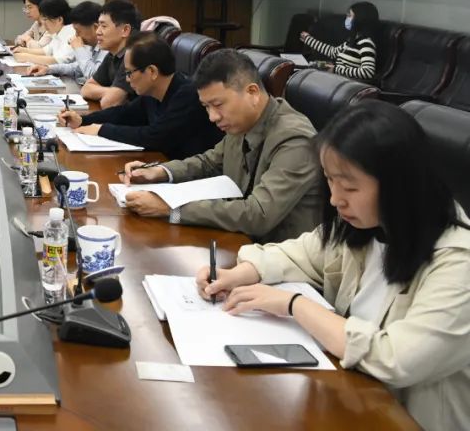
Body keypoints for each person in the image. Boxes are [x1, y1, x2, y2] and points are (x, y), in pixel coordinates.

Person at [196, 101, 470, 431]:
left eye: (350, 186)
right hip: (353, 399)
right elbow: (303, 252)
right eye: (330, 180)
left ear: (400, 184)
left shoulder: (459, 263)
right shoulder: (368, 225)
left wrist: (295, 305)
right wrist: (239, 274)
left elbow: (397, 358)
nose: (335, 199)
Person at [120, 49, 321, 243]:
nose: (212, 117)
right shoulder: (242, 122)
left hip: (278, 255)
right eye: (206, 107)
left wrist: (171, 208)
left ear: (252, 92)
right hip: (239, 241)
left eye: (217, 105)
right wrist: (159, 171)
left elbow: (259, 214)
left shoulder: (294, 139)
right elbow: (210, 162)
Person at [57, 33, 222, 159]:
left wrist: (101, 130)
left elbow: (155, 136)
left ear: (152, 72)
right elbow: (124, 113)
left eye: (130, 73)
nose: (127, 79)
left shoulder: (188, 94)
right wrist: (83, 120)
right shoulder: (152, 93)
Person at [81, 0, 141, 108]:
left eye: (104, 26)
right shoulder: (113, 54)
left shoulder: (135, 55)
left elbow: (109, 103)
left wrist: (111, 93)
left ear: (125, 30)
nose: (98, 32)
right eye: (98, 26)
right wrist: (110, 91)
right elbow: (86, 88)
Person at [299, 1, 380, 82]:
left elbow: (368, 72)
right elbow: (333, 52)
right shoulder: (351, 41)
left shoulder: (366, 43)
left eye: (350, 15)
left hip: (347, 85)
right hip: (338, 81)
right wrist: (309, 40)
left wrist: (335, 69)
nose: (347, 18)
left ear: (360, 20)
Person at [29, 0, 106, 83]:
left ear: (95, 27)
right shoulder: (92, 46)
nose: (76, 35)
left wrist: (79, 48)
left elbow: (95, 76)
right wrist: (48, 69)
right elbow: (76, 68)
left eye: (78, 31)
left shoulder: (106, 48)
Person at [11, 0, 76, 65]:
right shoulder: (58, 32)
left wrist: (26, 57)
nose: (43, 23)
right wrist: (23, 50)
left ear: (59, 19)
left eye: (45, 19)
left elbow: (58, 61)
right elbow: (45, 51)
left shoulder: (71, 33)